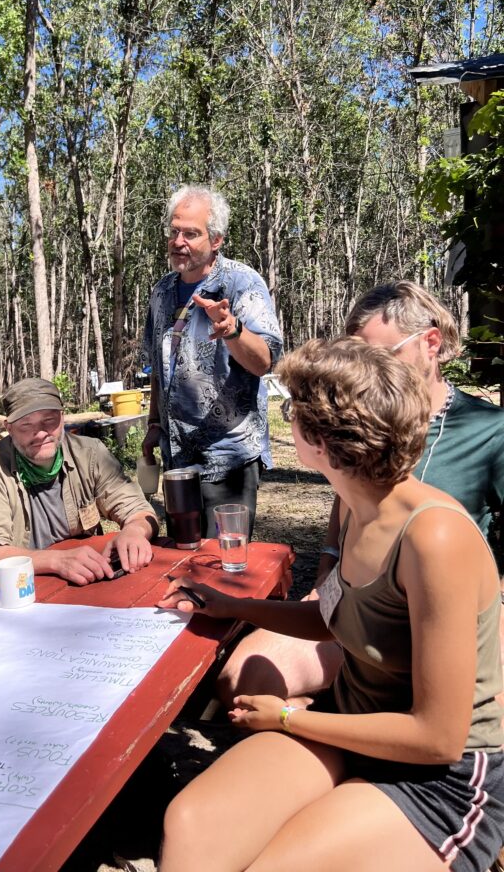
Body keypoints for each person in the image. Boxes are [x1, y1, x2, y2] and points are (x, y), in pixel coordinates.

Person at [159, 338, 504, 872]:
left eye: (291, 409)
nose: (287, 417)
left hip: (440, 778)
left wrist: (290, 719)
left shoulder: (434, 538)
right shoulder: (354, 502)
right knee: (192, 827)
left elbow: (437, 738)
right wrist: (234, 607)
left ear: (317, 439)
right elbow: (336, 618)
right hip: (351, 721)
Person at [217, 281, 504, 706]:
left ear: (431, 342)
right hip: (356, 614)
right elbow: (348, 502)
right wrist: (326, 578)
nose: (365, 372)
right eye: (358, 358)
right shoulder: (350, 424)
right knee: (239, 681)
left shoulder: (491, 433)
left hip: (445, 630)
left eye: (379, 356)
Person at [141, 184, 282, 536]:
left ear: (216, 240)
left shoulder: (240, 283)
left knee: (223, 566)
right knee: (183, 559)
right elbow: (160, 367)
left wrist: (232, 331)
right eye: (174, 231)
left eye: (191, 233)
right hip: (177, 455)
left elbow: (264, 361)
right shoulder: (162, 292)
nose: (178, 241)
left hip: (228, 455)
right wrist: (154, 424)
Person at [0, 377, 158, 589]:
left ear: (63, 418)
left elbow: (139, 511)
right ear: (8, 428)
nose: (40, 433)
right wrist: (58, 560)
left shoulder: (90, 454)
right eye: (26, 425)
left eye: (49, 420)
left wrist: (134, 532)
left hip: (75, 588)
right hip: (15, 592)